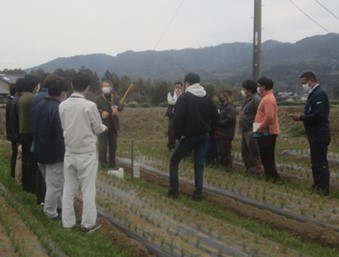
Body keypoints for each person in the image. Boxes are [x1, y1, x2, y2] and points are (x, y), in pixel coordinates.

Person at [59, 72, 107, 232]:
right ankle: (88, 223)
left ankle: (68, 223)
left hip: (70, 152)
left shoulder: (62, 105)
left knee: (68, 189)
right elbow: (98, 128)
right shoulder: (90, 106)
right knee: (88, 190)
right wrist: (104, 127)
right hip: (87, 153)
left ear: (72, 84)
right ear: (87, 87)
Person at [167, 72, 219, 201]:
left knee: (174, 160)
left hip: (188, 136)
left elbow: (178, 118)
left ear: (187, 83)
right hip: (203, 136)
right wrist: (211, 132)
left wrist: (179, 135)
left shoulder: (184, 98)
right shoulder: (207, 97)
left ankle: (174, 190)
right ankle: (198, 194)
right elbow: (216, 117)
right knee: (199, 165)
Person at [31, 76, 68, 219]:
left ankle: (58, 206)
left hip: (39, 149)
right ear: (62, 93)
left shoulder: (38, 104)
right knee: (55, 184)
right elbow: (60, 133)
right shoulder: (57, 109)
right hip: (54, 153)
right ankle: (50, 212)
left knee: (50, 181)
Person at [290, 71, 330, 196]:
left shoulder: (319, 95)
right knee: (315, 161)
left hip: (319, 133)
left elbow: (318, 116)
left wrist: (301, 117)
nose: (303, 85)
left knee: (320, 162)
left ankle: (323, 189)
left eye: (304, 83)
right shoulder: (313, 94)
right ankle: (317, 185)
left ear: (311, 81)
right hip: (314, 133)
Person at [254, 77, 280, 183]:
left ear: (264, 87)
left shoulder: (268, 99)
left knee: (267, 156)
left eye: (259, 85)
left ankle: (274, 177)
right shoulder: (266, 98)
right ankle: (269, 176)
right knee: (264, 156)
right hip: (263, 131)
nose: (258, 88)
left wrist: (260, 127)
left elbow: (269, 116)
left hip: (266, 132)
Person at [18, 75, 41, 193]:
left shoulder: (22, 97)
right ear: (34, 86)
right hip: (30, 132)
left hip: (23, 131)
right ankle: (31, 187)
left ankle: (25, 185)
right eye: (37, 85)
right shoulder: (32, 98)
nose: (38, 87)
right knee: (31, 161)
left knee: (25, 159)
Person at [95, 80, 123, 169]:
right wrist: (101, 112)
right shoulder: (98, 98)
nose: (105, 88)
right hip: (103, 125)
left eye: (106, 86)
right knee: (102, 146)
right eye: (103, 86)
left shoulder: (115, 97)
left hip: (113, 125)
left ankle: (112, 164)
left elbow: (121, 106)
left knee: (113, 146)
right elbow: (94, 109)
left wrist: (117, 108)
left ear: (110, 87)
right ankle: (103, 164)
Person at [239, 80, 261, 175]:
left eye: (244, 89)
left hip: (251, 131)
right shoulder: (247, 99)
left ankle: (254, 171)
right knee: (245, 152)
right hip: (245, 130)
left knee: (253, 152)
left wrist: (256, 131)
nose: (243, 91)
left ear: (250, 89)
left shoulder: (256, 99)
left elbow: (260, 115)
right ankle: (248, 169)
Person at [215, 90, 236, 170]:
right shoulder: (223, 106)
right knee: (220, 151)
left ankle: (227, 167)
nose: (221, 98)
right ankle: (221, 166)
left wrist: (219, 122)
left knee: (225, 152)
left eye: (223, 96)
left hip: (226, 133)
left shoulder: (230, 108)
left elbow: (230, 119)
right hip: (220, 133)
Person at [203, 83, 219, 163]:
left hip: (212, 125)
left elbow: (215, 114)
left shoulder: (212, 99)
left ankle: (211, 160)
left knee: (211, 143)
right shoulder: (213, 98)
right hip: (211, 124)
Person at [6, 83, 18, 178]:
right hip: (14, 132)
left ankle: (13, 173)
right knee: (16, 153)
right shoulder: (13, 102)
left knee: (15, 153)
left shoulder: (10, 101)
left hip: (11, 132)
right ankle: (13, 173)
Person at [166, 81, 183, 151]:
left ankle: (180, 146)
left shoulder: (185, 94)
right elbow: (171, 102)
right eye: (176, 87)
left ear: (182, 87)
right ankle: (171, 146)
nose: (178, 89)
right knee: (171, 130)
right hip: (172, 115)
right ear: (174, 87)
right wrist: (178, 97)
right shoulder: (170, 94)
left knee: (182, 130)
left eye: (179, 87)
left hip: (181, 115)